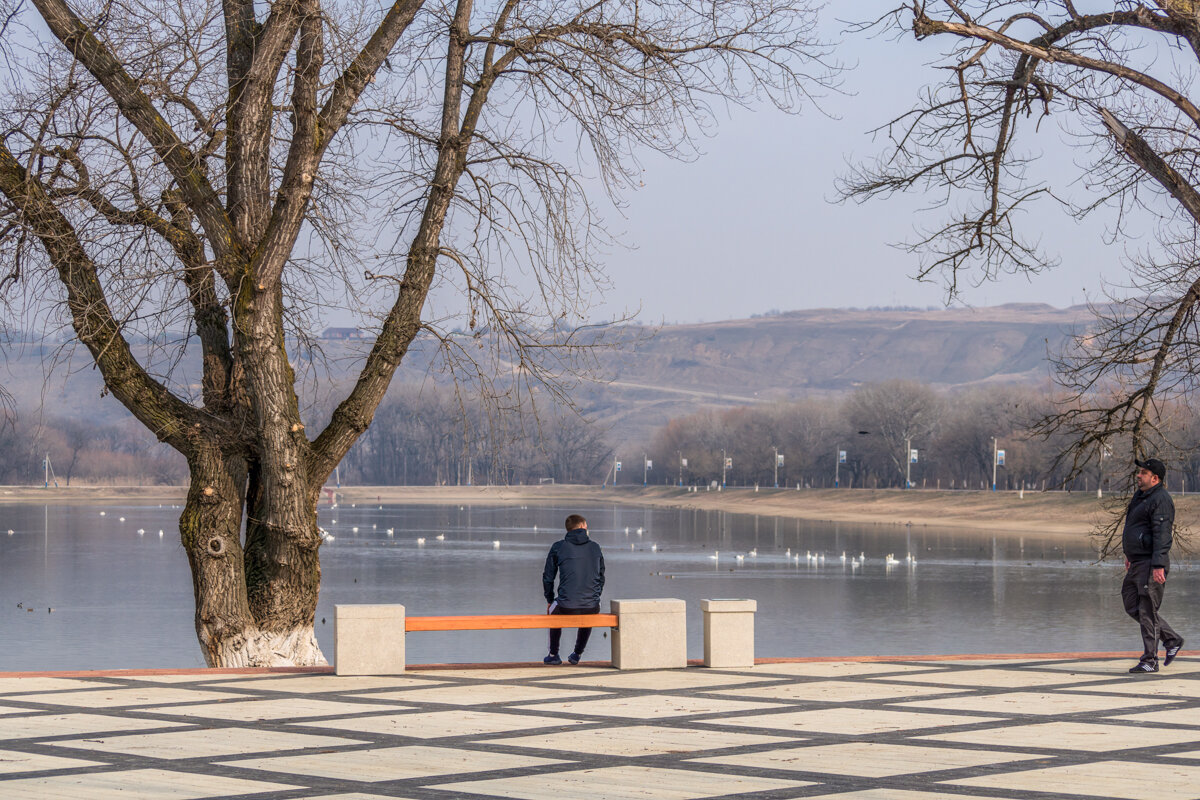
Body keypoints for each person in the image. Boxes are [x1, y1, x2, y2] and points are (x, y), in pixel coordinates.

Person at [1122, 457, 1184, 673]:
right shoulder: (1141, 496)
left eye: (1143, 473)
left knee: (1147, 610)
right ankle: (1172, 639)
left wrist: (1158, 565)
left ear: (1155, 478)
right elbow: (1135, 527)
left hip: (1151, 563)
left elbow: (1162, 535)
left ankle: (1150, 660)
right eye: (1139, 472)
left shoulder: (1161, 499)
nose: (1138, 475)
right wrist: (1129, 553)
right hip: (1137, 561)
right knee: (1132, 604)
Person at [542, 513, 605, 665]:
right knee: (589, 608)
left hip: (565, 605)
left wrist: (550, 599)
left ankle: (553, 654)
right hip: (591, 604)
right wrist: (594, 595)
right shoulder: (595, 547)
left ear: (568, 529)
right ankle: (577, 654)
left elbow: (548, 577)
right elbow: (601, 577)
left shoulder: (558, 547)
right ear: (583, 526)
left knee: (553, 611)